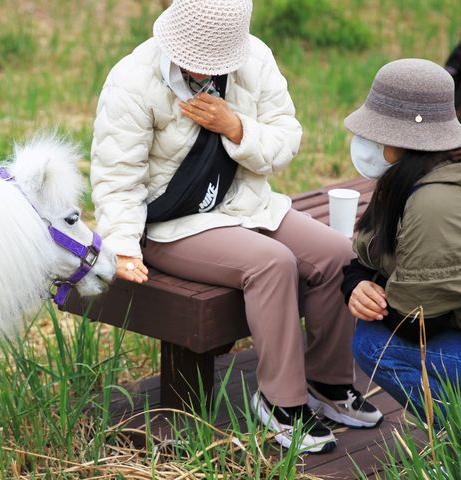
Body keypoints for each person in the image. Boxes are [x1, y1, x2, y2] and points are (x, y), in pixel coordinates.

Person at [90, 0, 382, 453]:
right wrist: (122, 245)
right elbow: (116, 176)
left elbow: (287, 138)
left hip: (247, 204)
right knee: (272, 264)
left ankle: (327, 382)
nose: (201, 69)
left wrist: (237, 128)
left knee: (337, 255)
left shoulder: (255, 59)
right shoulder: (132, 80)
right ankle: (281, 402)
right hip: (174, 225)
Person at [342, 58, 461, 473]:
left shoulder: (433, 203)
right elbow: (385, 258)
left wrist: (364, 286)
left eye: (375, 134)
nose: (365, 143)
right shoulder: (445, 174)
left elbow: (415, 321)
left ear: (403, 141)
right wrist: (356, 280)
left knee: (375, 344)